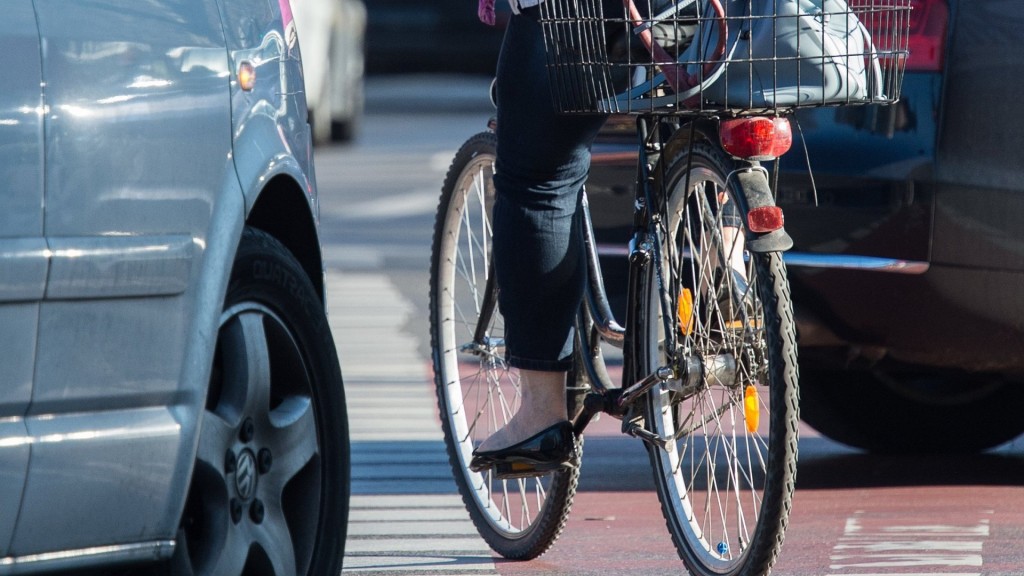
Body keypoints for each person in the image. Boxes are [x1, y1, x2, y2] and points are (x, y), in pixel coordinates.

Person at [467, 0, 613, 476]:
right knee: (714, 120)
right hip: (715, 18)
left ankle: (540, 413)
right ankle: (729, 265)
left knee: (540, 178)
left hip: (579, 14)